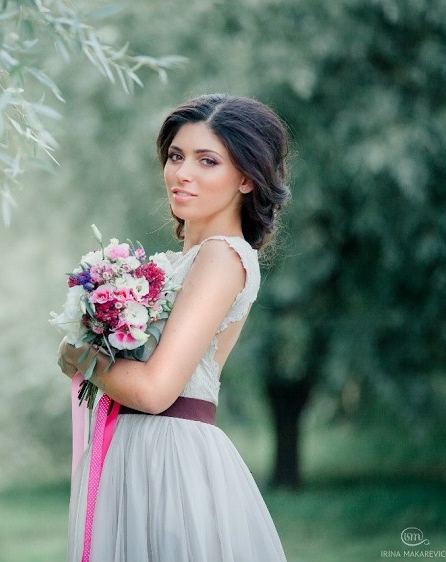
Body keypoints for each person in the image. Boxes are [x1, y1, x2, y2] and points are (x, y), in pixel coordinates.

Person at [58, 93, 290, 562]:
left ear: (247, 178)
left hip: (168, 460)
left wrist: (78, 354)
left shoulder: (223, 256)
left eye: (208, 161)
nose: (182, 173)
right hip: (131, 450)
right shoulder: (174, 264)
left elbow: (154, 391)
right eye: (176, 156)